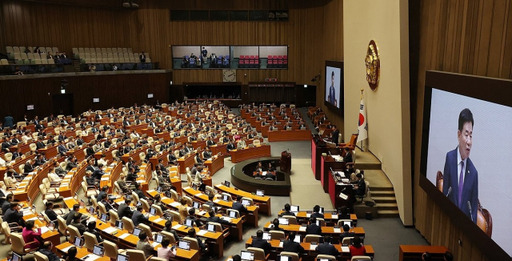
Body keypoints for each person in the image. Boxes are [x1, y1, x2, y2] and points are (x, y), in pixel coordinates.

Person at [442, 108, 478, 223]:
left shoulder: (473, 173)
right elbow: (445, 195)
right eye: (466, 134)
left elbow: (473, 215)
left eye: (471, 136)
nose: (469, 141)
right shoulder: (450, 158)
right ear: (459, 134)